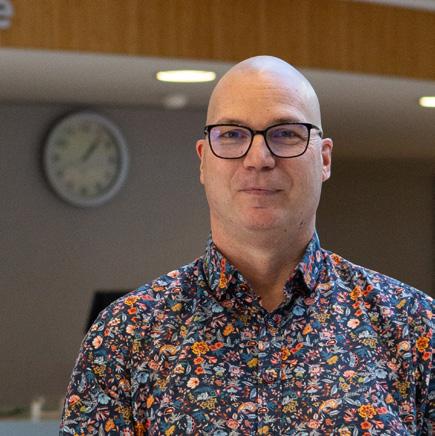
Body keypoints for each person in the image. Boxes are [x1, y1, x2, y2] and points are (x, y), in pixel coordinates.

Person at [60, 56, 433, 435]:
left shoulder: (414, 329)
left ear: (324, 159)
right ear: (204, 161)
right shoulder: (125, 337)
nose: (258, 158)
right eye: (232, 135)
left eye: (286, 133)